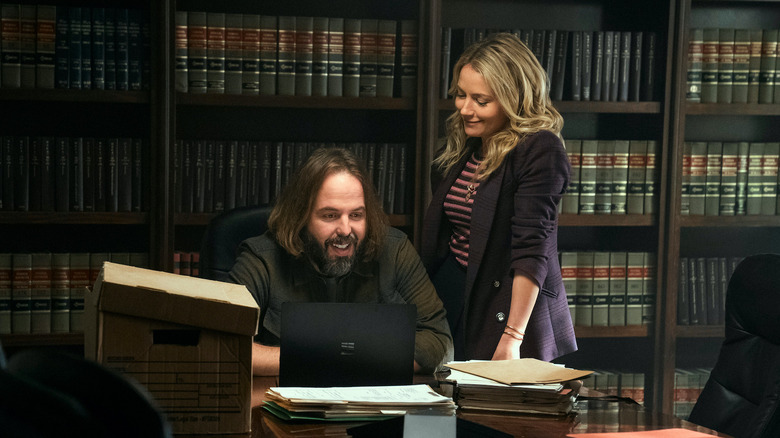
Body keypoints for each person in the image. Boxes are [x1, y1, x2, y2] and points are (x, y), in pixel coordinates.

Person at [420, 32, 577, 362]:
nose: (465, 109)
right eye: (461, 95)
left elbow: (532, 251)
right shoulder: (464, 149)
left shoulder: (539, 150)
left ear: (514, 98)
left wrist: (512, 338)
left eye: (481, 100)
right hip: (453, 295)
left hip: (504, 307)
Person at [229, 147, 454, 376]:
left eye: (356, 215)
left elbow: (437, 340)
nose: (346, 230)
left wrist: (352, 357)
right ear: (301, 216)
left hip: (374, 404)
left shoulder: (395, 251)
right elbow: (226, 345)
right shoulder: (262, 258)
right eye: (330, 216)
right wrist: (323, 356)